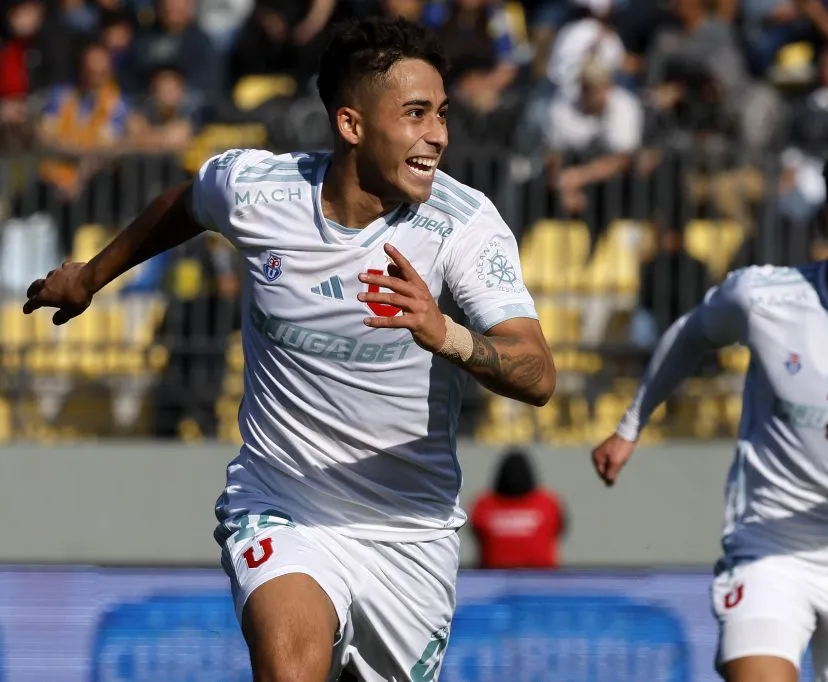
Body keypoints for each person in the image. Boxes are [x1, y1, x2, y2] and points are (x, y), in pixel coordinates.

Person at [23, 16, 556, 682]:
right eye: (416, 113)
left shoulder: (463, 226)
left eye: (442, 114)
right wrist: (90, 277)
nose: (439, 135)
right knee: (290, 663)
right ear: (351, 124)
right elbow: (186, 204)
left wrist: (446, 334)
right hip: (284, 502)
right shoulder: (258, 190)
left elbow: (538, 374)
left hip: (408, 532)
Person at [591, 141, 828, 682]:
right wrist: (630, 426)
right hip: (771, 546)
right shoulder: (764, 297)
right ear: (826, 220)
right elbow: (690, 335)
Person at [469, 448, 567, 569]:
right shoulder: (549, 503)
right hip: (539, 575)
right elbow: (560, 529)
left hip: (499, 575)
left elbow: (475, 532)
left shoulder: (483, 505)